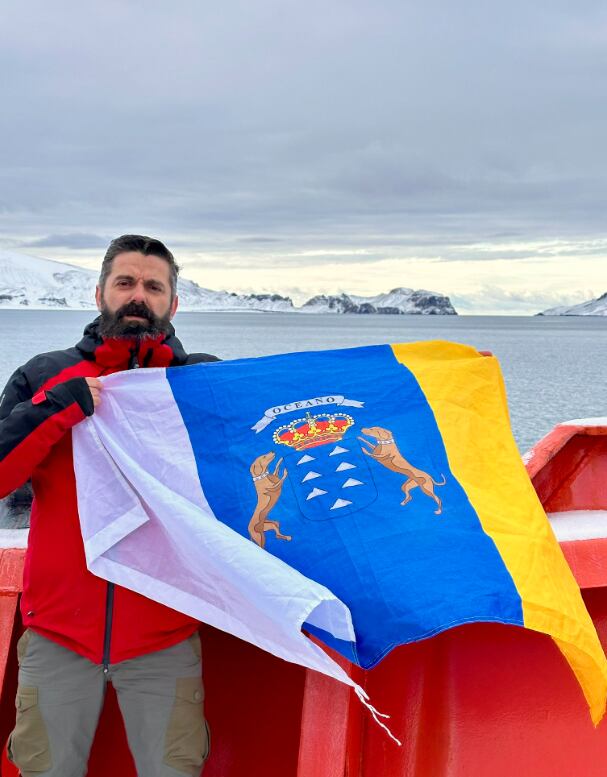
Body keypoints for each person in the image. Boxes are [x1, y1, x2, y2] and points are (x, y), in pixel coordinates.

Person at [0, 235, 218, 776]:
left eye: (153, 286)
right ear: (100, 293)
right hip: (57, 634)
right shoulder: (45, 376)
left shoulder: (203, 383)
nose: (138, 296)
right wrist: (56, 408)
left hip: (163, 636)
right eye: (125, 283)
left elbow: (294, 407)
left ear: (174, 302)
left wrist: (444, 375)